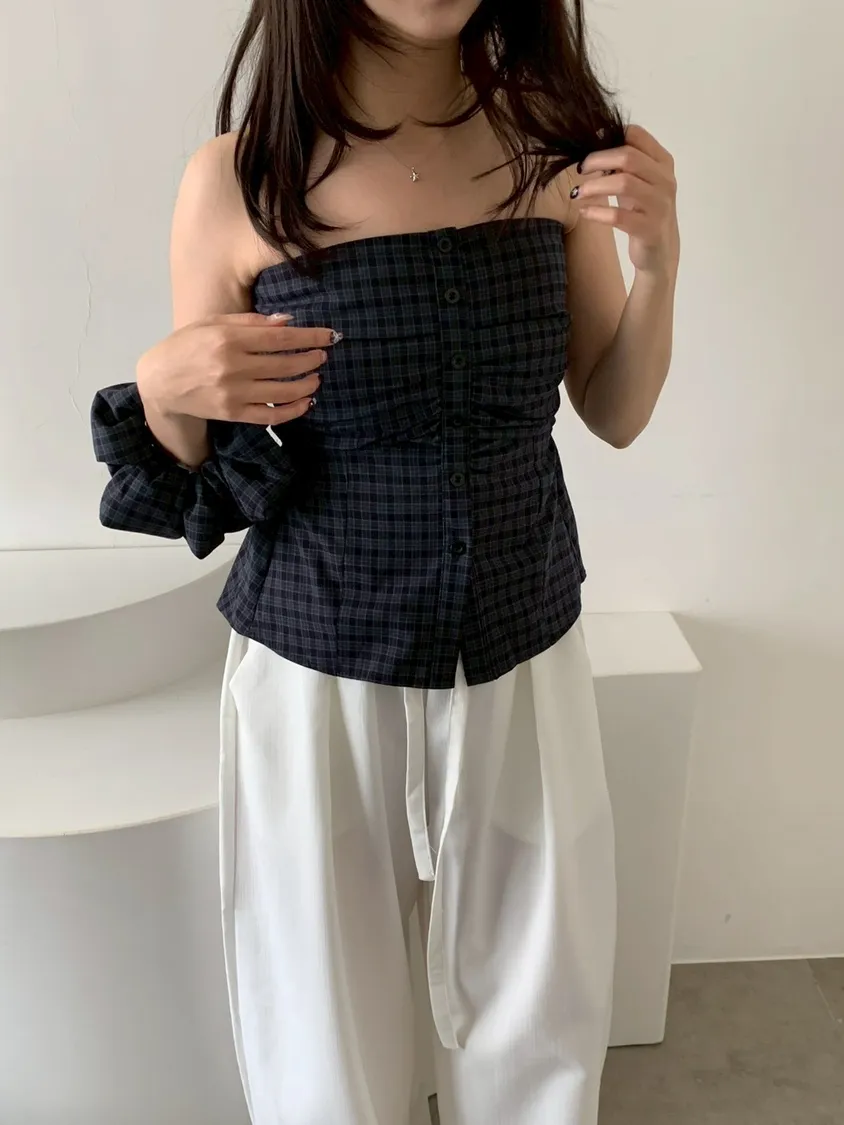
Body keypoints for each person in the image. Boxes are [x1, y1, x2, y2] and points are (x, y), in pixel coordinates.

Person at [90, 1, 679, 1122]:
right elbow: (200, 471)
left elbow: (612, 409)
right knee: (323, 1037)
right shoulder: (239, 182)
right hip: (319, 672)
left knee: (540, 1022)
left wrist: (658, 266)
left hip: (521, 654)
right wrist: (163, 386)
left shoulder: (551, 145)